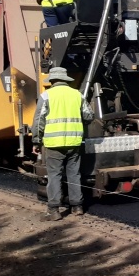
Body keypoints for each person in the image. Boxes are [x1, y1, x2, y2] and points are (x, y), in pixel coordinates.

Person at [32, 66, 94, 221]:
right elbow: (88, 116)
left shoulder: (46, 96)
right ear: (66, 80)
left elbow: (39, 121)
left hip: (54, 144)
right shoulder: (77, 95)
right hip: (74, 142)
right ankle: (77, 207)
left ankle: (53, 210)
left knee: (54, 175)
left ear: (52, 81)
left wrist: (36, 140)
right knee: (74, 174)